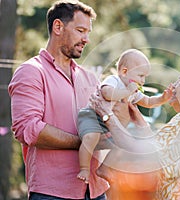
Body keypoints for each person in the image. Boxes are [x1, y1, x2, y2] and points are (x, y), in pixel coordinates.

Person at [8, 1, 116, 199]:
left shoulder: (90, 78)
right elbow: (28, 128)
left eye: (88, 32)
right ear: (58, 27)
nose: (87, 39)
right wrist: (83, 143)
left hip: (96, 191)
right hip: (52, 192)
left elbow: (105, 122)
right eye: (81, 30)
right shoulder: (31, 72)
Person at [91, 56, 180, 199]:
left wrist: (106, 114)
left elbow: (140, 154)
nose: (173, 86)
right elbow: (168, 155)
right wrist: (143, 126)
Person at [77, 48, 173, 184]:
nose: (143, 81)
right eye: (141, 75)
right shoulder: (114, 80)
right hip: (92, 117)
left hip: (108, 123)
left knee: (123, 143)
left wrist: (162, 99)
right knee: (91, 138)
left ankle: (104, 168)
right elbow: (107, 93)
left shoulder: (132, 90)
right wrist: (126, 91)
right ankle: (84, 168)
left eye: (145, 77)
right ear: (124, 72)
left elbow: (147, 101)